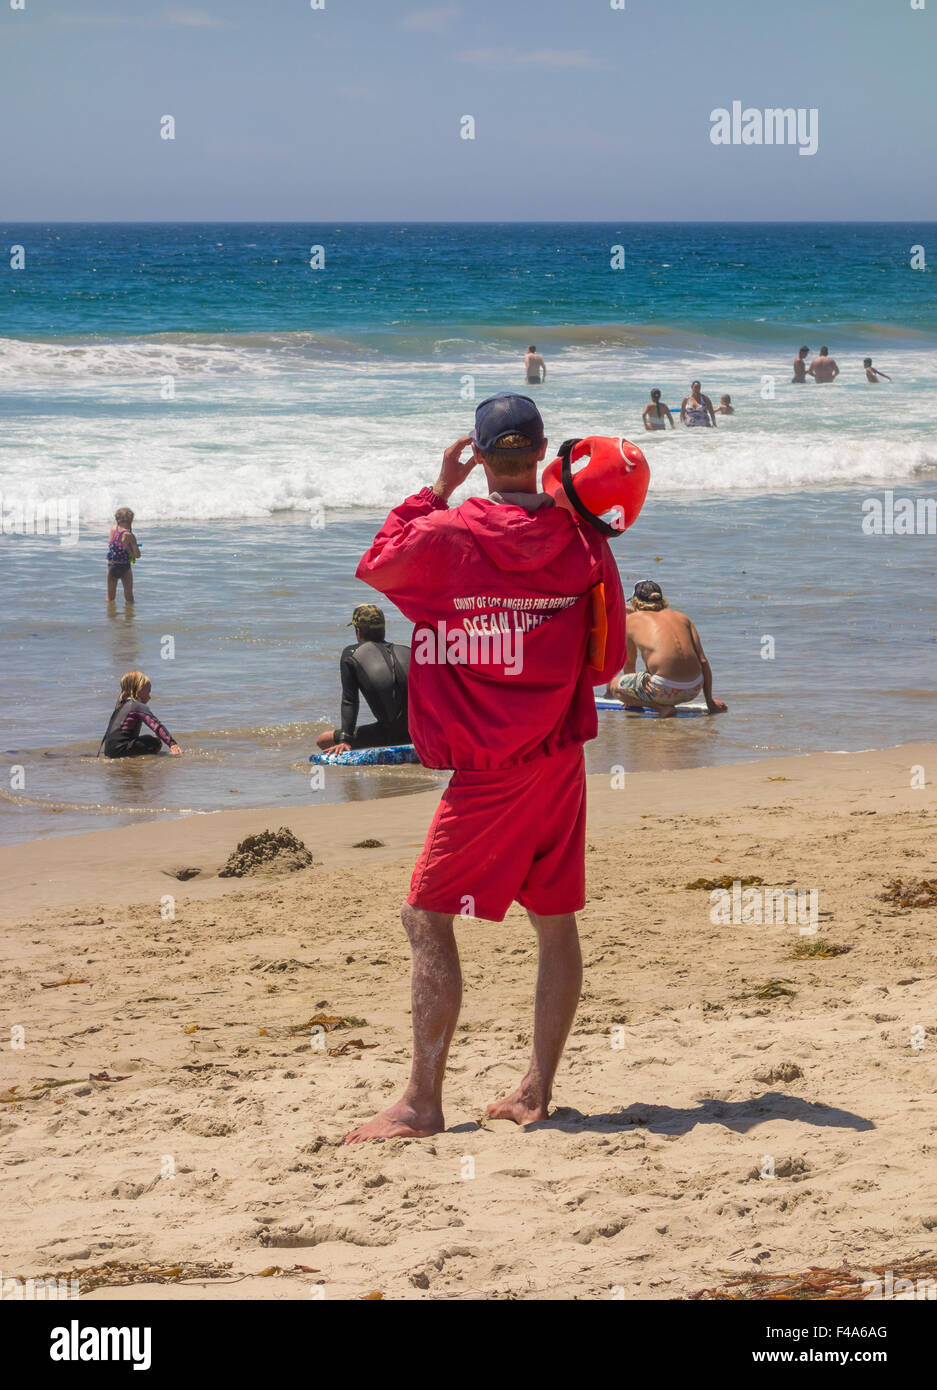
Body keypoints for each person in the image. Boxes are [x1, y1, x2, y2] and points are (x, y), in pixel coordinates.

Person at [344, 392, 627, 1142]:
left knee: (425, 917)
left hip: (492, 765)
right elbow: (609, 658)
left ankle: (421, 1103)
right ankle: (535, 1093)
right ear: (541, 454)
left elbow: (375, 564)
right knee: (554, 920)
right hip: (559, 751)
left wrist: (434, 489)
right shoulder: (584, 539)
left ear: (476, 452)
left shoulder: (446, 532)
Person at [606, 580, 727, 718]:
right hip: (694, 689)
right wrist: (710, 702)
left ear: (635, 602)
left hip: (663, 690)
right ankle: (692, 701)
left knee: (614, 686)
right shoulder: (683, 618)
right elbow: (703, 662)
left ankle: (661, 708)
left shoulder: (630, 621)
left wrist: (630, 697)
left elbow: (629, 664)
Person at [316, 604, 411, 754]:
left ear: (358, 631)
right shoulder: (408, 651)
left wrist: (344, 739)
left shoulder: (352, 654)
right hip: (421, 732)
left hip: (389, 733)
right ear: (383, 629)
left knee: (323, 739)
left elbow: (350, 700)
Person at [100, 671, 182, 758]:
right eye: (148, 691)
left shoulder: (120, 706)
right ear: (139, 689)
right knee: (154, 742)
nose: (149, 697)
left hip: (109, 750)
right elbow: (156, 725)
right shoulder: (137, 706)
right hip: (121, 750)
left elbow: (109, 734)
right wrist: (172, 744)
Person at [106, 507, 141, 603]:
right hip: (125, 567)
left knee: (110, 596)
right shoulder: (129, 535)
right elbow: (137, 555)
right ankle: (129, 616)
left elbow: (113, 544)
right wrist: (134, 547)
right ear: (131, 521)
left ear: (117, 519)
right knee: (129, 596)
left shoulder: (113, 529)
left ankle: (110, 615)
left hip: (112, 565)